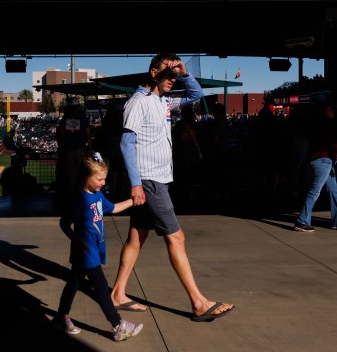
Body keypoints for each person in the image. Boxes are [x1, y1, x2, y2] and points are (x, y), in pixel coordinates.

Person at [110, 53, 235, 322]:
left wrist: (182, 71)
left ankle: (118, 293)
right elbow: (126, 144)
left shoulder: (164, 101)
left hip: (158, 179)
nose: (173, 78)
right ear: (153, 73)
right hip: (149, 180)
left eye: (175, 74)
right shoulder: (138, 102)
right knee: (176, 238)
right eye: (168, 74)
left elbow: (196, 93)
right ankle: (198, 303)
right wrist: (135, 184)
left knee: (136, 237)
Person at [55, 152, 143, 342]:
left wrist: (134, 200)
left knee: (73, 283)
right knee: (102, 288)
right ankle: (118, 325)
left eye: (105, 179)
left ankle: (61, 316)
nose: (104, 183)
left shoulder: (98, 195)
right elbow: (64, 223)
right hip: (86, 252)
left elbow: (114, 208)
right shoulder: (79, 199)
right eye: (100, 179)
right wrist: (77, 240)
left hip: (92, 249)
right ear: (87, 177)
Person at [294, 105, 337, 232]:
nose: (333, 110)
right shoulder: (325, 125)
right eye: (330, 108)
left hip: (324, 161)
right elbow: (333, 144)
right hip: (323, 161)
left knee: (333, 191)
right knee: (314, 192)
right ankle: (301, 222)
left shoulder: (317, 124)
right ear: (322, 111)